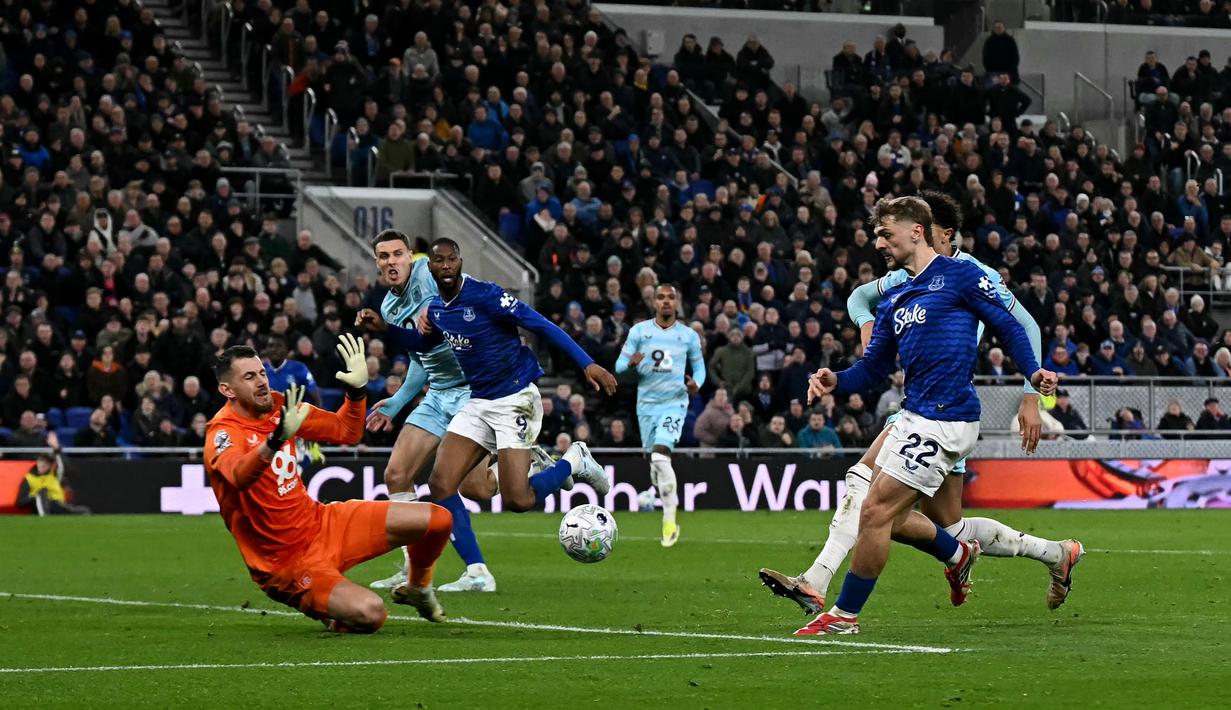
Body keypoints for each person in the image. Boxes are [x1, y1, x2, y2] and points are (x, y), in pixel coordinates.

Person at [762, 192, 1079, 632]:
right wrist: (836, 378)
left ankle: (839, 610)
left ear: (919, 231)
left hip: (948, 416)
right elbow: (872, 365)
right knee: (931, 522)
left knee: (874, 508)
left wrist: (1033, 380)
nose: (877, 243)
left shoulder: (965, 275)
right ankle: (1037, 553)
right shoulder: (896, 295)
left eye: (884, 234)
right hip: (914, 414)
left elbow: (1013, 324)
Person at [205, 338, 454, 632]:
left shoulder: (281, 406)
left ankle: (417, 587)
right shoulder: (223, 433)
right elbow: (238, 476)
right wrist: (275, 441)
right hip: (285, 563)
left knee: (438, 520)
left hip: (322, 523)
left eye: (261, 373)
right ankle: (325, 606)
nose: (261, 382)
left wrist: (356, 391)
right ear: (227, 390)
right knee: (371, 614)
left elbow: (347, 431)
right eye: (249, 377)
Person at [381, 239, 615, 547]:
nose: (447, 266)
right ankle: (475, 570)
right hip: (479, 401)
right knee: (441, 485)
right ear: (431, 268)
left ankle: (574, 460)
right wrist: (384, 329)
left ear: (460, 261)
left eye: (452, 259)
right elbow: (425, 345)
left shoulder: (486, 295)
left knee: (518, 500)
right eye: (440, 261)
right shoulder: (437, 309)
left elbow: (540, 324)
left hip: (515, 398)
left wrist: (587, 363)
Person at [356, 230, 545, 594]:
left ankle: (533, 462)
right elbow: (421, 359)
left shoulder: (431, 271)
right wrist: (396, 403)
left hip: (472, 391)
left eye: (398, 254)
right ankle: (432, 570)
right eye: (383, 256)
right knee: (397, 474)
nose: (391, 262)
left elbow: (459, 307)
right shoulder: (390, 308)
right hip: (438, 394)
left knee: (478, 490)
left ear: (411, 256)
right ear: (377, 263)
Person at [614, 284, 706, 547]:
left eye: (671, 298)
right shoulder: (639, 332)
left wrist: (695, 385)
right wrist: (631, 364)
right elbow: (619, 366)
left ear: (676, 303)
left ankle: (669, 519)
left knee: (660, 456)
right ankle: (656, 491)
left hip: (674, 403)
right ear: (654, 303)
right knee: (655, 463)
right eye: (661, 297)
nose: (666, 302)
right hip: (646, 406)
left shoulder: (688, 336)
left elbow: (699, 370)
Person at [17, 451, 91, 515]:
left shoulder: (55, 475)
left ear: (51, 465)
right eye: (41, 461)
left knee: (84, 511)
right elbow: (20, 502)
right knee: (43, 492)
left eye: (47, 462)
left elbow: (63, 466)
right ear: (37, 461)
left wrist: (57, 449)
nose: (43, 464)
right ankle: (45, 516)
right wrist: (36, 496)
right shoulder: (29, 478)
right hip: (38, 507)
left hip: (58, 505)